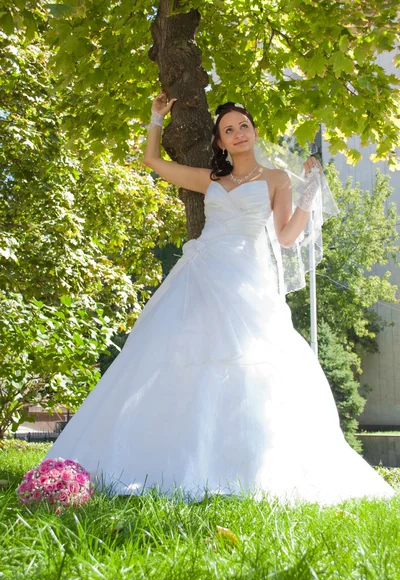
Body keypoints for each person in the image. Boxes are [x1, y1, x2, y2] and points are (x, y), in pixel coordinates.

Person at [43, 91, 396, 506]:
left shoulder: (276, 179)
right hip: (200, 274)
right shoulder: (212, 179)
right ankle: (168, 457)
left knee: (247, 363)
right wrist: (155, 118)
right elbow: (153, 163)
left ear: (254, 131)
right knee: (179, 355)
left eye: (243, 126)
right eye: (228, 130)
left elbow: (284, 238)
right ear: (221, 142)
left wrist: (310, 193)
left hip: (247, 278)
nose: (238, 133)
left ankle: (243, 465)